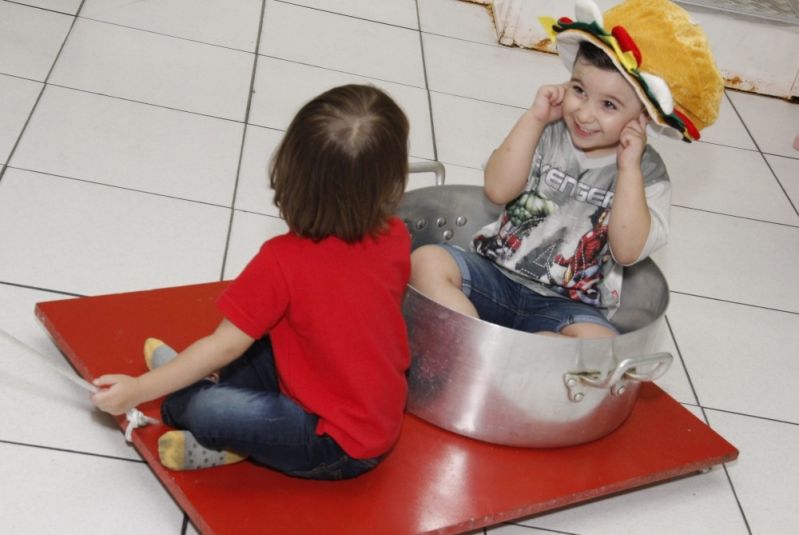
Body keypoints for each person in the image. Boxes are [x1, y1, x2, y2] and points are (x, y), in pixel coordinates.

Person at [91, 84, 412, 480]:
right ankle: (203, 392)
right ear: (391, 179)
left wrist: (139, 391)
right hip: (357, 402)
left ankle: (224, 436)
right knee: (261, 341)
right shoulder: (397, 235)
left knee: (190, 406)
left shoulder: (281, 260)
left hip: (335, 443)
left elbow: (223, 346)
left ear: (292, 174)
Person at [410, 0, 723, 339]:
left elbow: (627, 250)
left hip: (570, 306)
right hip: (495, 274)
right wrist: (534, 118)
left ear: (642, 117)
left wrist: (628, 169)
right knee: (425, 261)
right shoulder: (546, 132)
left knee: (598, 342)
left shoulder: (647, 173)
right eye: (579, 90)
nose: (585, 113)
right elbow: (497, 190)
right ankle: (469, 338)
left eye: (608, 105)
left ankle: (534, 351)